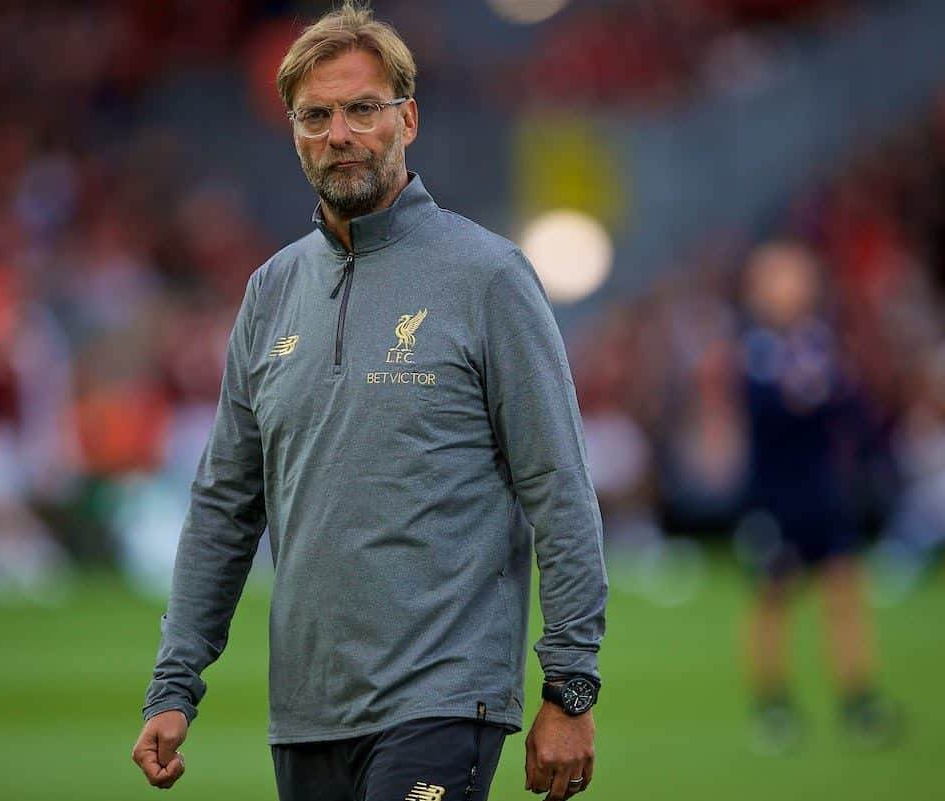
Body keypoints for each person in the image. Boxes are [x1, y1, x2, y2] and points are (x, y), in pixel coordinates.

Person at [131, 3, 608, 799]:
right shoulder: (271, 291)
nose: (339, 134)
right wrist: (175, 681)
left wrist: (571, 684)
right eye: (315, 115)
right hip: (307, 713)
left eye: (362, 109)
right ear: (292, 130)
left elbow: (559, 488)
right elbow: (223, 505)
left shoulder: (487, 277)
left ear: (407, 119)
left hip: (445, 698)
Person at [738, 241, 901, 753]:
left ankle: (858, 698)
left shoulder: (820, 343)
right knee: (773, 600)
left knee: (844, 593)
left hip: (823, 491)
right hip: (776, 496)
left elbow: (850, 409)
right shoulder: (756, 350)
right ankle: (773, 704)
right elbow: (769, 413)